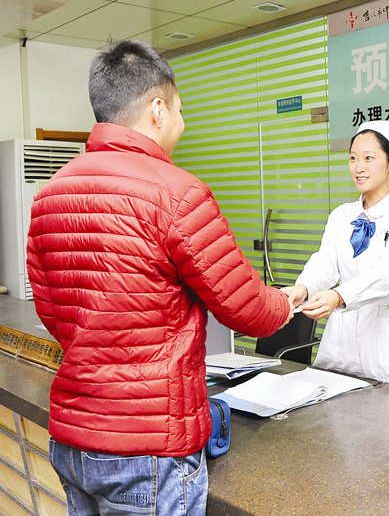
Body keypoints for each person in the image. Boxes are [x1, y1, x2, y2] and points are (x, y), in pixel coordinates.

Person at [26, 39, 293, 515]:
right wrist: (288, 301)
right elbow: (248, 309)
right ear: (157, 110)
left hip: (74, 438)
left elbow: (51, 309)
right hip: (148, 447)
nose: (182, 124)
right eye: (180, 111)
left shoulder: (51, 194)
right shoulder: (177, 193)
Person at [282, 120, 389, 394]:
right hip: (341, 338)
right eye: (353, 158)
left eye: (369, 158)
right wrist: (303, 288)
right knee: (334, 409)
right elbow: (326, 261)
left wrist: (339, 296)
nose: (358, 167)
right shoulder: (341, 215)